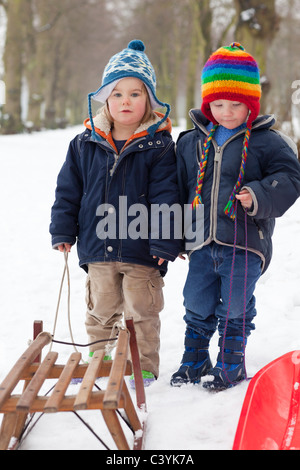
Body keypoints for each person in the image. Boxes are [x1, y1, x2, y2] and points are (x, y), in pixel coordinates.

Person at [50, 40, 182, 388]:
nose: (126, 101)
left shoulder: (159, 146)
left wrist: (165, 242)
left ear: (149, 100)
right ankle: (100, 360)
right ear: (105, 99)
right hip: (98, 246)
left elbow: (168, 197)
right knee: (101, 311)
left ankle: (144, 366)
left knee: (142, 313)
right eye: (118, 94)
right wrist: (63, 231)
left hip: (143, 250)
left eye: (135, 94)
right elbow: (68, 192)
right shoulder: (84, 143)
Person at [171, 42, 300, 391]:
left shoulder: (268, 142)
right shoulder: (190, 142)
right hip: (201, 241)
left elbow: (289, 180)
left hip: (244, 242)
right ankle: (195, 359)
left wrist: (258, 194)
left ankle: (231, 363)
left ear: (251, 104)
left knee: (236, 304)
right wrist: (177, 234)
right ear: (207, 103)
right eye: (218, 104)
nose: (226, 112)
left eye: (235, 104)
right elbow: (178, 190)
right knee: (196, 301)